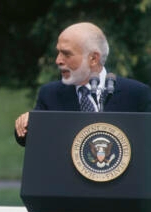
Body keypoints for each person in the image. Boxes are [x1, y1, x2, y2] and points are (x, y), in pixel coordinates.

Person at [15, 22, 151, 146]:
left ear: (93, 58)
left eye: (66, 54)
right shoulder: (50, 94)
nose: (58, 60)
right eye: (58, 53)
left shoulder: (136, 93)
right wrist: (26, 123)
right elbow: (27, 140)